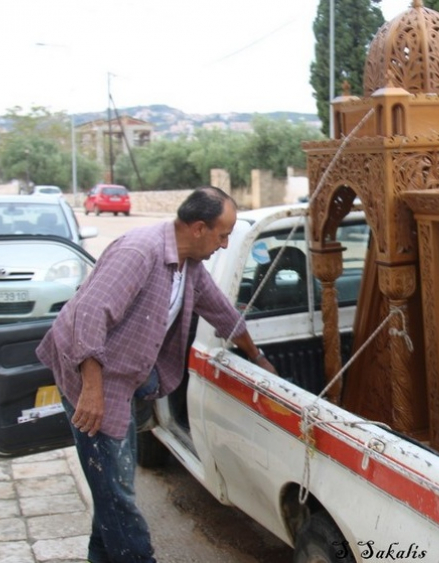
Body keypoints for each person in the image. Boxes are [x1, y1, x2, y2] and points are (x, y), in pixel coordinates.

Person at [36, 186, 276, 563]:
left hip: (127, 373)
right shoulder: (140, 251)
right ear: (199, 228)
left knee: (112, 489)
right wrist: (92, 391)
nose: (225, 245)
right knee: (118, 494)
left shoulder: (188, 263)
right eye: (222, 234)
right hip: (94, 376)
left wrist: (257, 357)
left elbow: (220, 310)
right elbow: (90, 314)